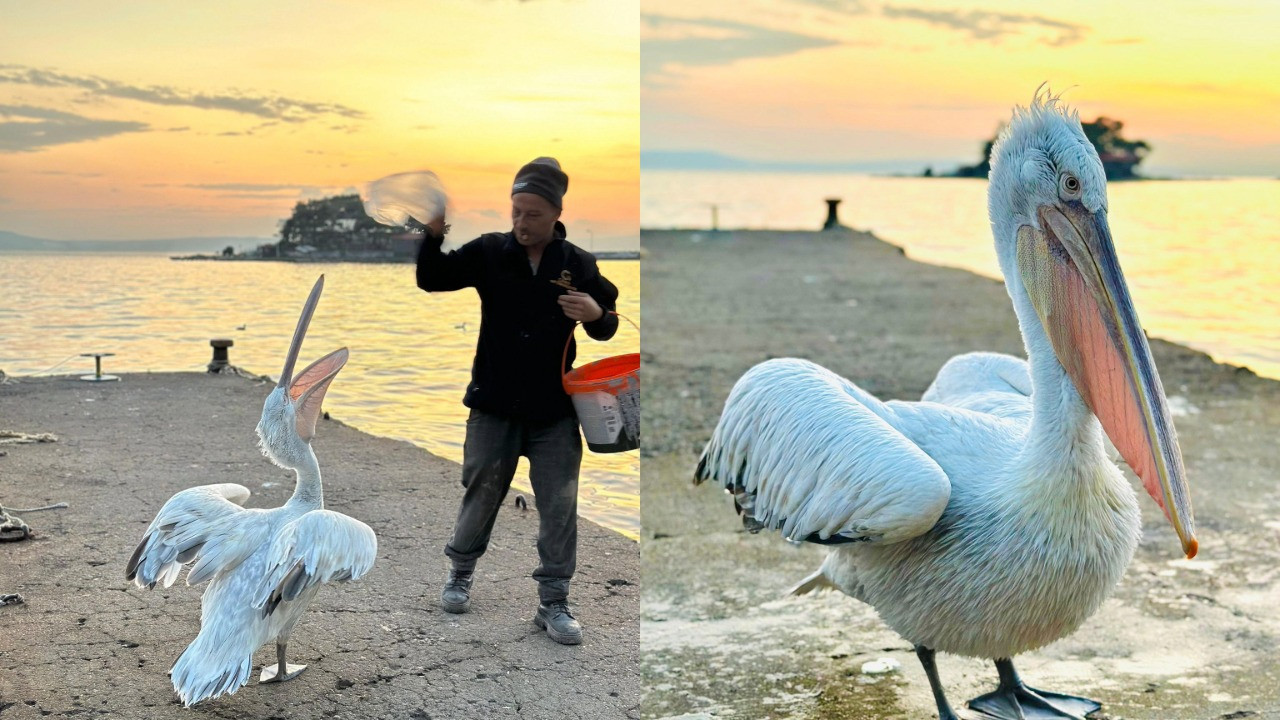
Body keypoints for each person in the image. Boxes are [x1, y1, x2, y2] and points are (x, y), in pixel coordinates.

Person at [415, 157, 619, 645]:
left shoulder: (577, 264)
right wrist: (433, 234)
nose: (522, 223)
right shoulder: (489, 252)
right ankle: (460, 573)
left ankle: (553, 603)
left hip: (555, 412)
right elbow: (432, 278)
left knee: (559, 505)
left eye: (532, 214)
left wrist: (593, 313)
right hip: (493, 405)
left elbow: (608, 321)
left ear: (554, 213)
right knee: (480, 490)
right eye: (516, 212)